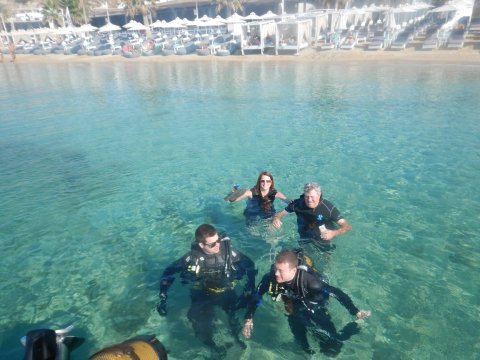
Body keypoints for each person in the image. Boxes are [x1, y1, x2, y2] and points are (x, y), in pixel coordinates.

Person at [242, 249, 371, 356]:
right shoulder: (270, 278)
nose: (276, 273)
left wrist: (355, 311)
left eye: (280, 271)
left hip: (315, 305)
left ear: (293, 270)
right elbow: (256, 297)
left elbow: (336, 293)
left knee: (333, 347)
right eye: (276, 269)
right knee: (303, 346)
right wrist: (249, 318)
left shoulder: (312, 283)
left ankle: (356, 326)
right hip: (294, 306)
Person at [157, 224, 256, 354]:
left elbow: (249, 265)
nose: (218, 245)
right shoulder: (192, 258)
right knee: (200, 325)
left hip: (227, 291)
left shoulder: (229, 253)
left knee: (234, 317)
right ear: (201, 245)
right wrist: (163, 296)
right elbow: (168, 273)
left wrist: (249, 286)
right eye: (213, 244)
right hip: (202, 293)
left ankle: (236, 338)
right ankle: (212, 347)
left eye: (218, 240)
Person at [272, 182, 351, 249]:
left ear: (319, 195)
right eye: (307, 196)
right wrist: (276, 219)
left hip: (323, 239)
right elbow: (280, 214)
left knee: (324, 263)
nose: (309, 200)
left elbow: (347, 226)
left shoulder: (328, 208)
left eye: (312, 197)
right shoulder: (298, 204)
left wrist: (334, 233)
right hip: (304, 237)